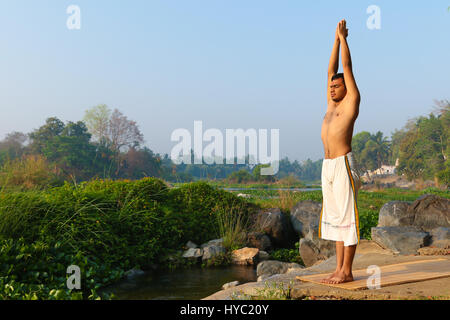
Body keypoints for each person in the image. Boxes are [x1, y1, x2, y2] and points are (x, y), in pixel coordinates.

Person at [319, 19, 362, 284]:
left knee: (347, 219)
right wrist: (334, 40)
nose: (333, 88)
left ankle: (347, 270)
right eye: (332, 87)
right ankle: (338, 269)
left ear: (346, 88)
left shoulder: (351, 103)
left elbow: (345, 68)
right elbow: (330, 70)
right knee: (335, 220)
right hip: (328, 167)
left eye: (337, 86)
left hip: (344, 164)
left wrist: (344, 39)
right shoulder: (331, 104)